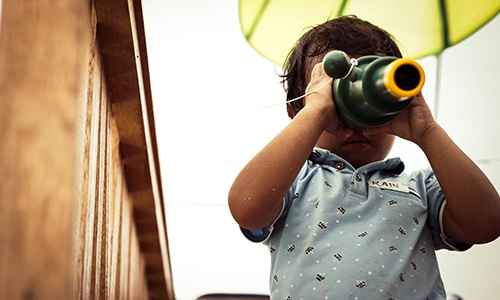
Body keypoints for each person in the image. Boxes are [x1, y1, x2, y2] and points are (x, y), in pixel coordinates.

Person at [228, 15, 500, 299]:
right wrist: (317, 112)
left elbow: (486, 223)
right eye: (337, 100)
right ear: (298, 112)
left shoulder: (421, 188)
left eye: (371, 101)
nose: (357, 123)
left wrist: (427, 131)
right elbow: (247, 207)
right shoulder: (294, 182)